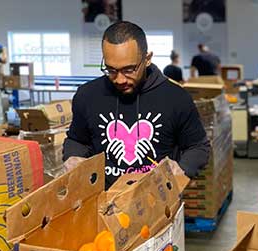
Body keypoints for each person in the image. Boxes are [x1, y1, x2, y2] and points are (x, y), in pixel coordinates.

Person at [63, 21, 209, 188]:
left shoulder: (176, 97)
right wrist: (73, 156)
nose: (120, 79)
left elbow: (198, 146)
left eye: (129, 70)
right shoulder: (87, 95)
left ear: (147, 59)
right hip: (104, 201)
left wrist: (183, 168)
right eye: (111, 70)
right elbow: (77, 140)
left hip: (158, 199)